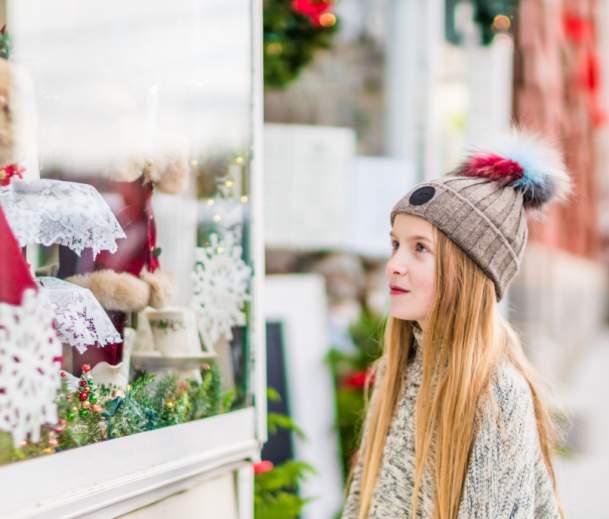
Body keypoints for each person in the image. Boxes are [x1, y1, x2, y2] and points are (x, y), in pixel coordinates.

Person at [341, 130, 570, 519]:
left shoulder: (495, 395)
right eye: (395, 244)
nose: (394, 264)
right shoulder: (400, 369)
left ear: (466, 273)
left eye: (420, 248)